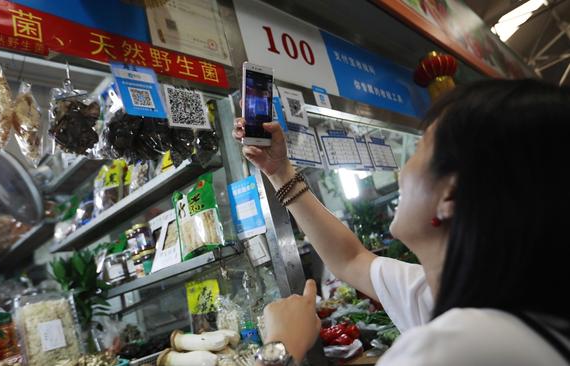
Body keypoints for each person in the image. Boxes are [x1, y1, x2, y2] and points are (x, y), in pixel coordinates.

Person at [233, 79, 570, 365]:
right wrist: (280, 172)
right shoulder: (461, 301)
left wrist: (280, 347)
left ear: (449, 196)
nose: (402, 170)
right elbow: (352, 259)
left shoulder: (458, 349)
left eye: (419, 150)